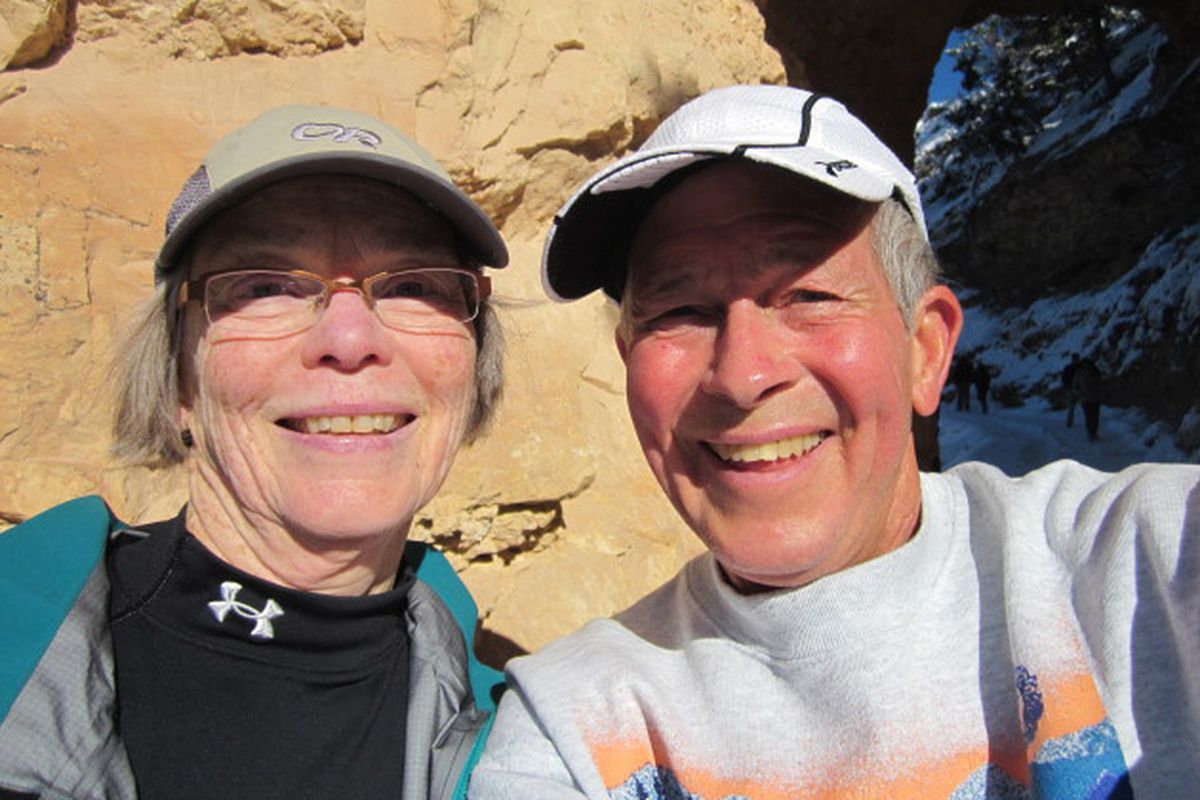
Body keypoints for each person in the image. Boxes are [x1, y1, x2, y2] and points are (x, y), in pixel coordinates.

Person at [470, 85, 1200, 798]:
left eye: (808, 296)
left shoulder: (1141, 566)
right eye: (682, 309)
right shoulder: (572, 727)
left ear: (925, 350)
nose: (742, 374)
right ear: (631, 362)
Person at [0, 105, 509, 799]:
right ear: (180, 378)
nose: (352, 338)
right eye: (265, 286)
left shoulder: (535, 745)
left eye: (414, 285)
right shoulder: (18, 643)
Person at [1073, 356, 1104, 441]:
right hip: (1085, 399)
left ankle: (1094, 433)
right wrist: (1080, 394)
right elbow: (1075, 387)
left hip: (1095, 398)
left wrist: (1100, 393)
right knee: (1089, 417)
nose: (1087, 366)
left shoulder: (1096, 373)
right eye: (1085, 364)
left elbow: (1101, 384)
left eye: (1088, 364)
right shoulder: (1079, 373)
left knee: (1095, 417)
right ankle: (1091, 433)